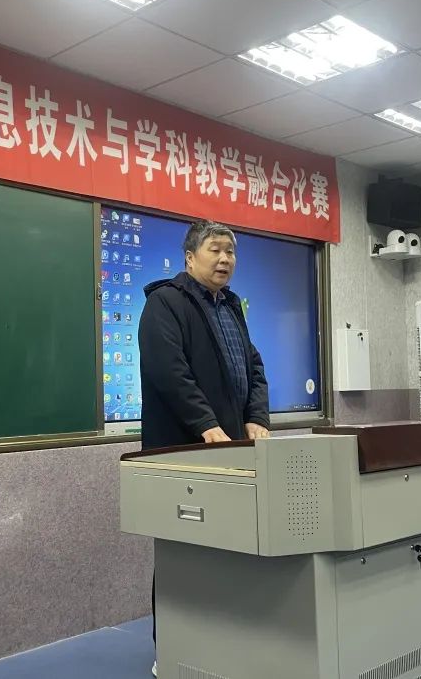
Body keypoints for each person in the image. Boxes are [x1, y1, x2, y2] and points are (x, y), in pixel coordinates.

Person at [138, 219, 270, 677]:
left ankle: (220, 646)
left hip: (229, 451)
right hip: (184, 451)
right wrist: (206, 425)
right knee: (182, 554)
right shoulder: (165, 302)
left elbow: (252, 366)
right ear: (190, 256)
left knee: (225, 547)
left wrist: (257, 417)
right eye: (215, 250)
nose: (225, 259)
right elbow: (168, 371)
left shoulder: (231, 306)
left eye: (231, 252)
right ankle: (172, 651)